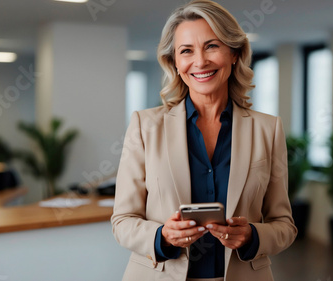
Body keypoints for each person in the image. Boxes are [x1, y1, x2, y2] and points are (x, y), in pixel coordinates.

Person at [111, 1, 297, 280]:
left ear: (234, 53)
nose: (200, 62)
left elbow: (284, 226)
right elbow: (122, 221)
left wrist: (252, 236)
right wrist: (162, 235)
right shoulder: (145, 126)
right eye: (186, 51)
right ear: (175, 62)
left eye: (212, 46)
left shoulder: (268, 129)